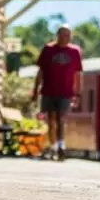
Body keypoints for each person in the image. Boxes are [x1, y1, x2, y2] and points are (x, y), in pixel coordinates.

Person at [31, 25, 84, 161]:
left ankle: (61, 145)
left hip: (66, 91)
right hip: (48, 90)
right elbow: (40, 71)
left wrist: (78, 93)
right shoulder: (48, 50)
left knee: (61, 118)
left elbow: (78, 74)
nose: (65, 38)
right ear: (57, 35)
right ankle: (54, 145)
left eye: (68, 35)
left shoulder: (75, 52)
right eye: (62, 35)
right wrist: (35, 90)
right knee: (51, 120)